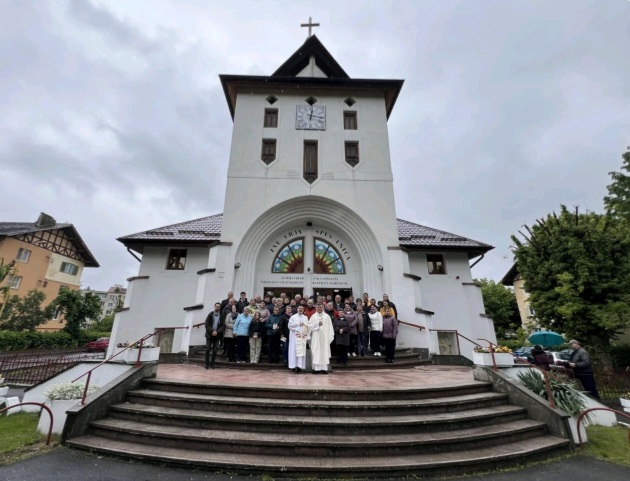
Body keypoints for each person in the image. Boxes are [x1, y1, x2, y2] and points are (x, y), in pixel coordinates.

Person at [308, 303, 334, 374]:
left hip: (325, 337)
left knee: (324, 352)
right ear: (316, 308)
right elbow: (309, 326)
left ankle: (324, 369)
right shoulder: (313, 316)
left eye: (320, 307)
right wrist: (317, 324)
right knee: (316, 352)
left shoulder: (327, 316)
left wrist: (329, 336)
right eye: (318, 307)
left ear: (323, 308)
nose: (319, 308)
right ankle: (316, 369)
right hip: (316, 337)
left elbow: (330, 327)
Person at [288, 305, 309, 373]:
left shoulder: (305, 317)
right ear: (297, 309)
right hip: (294, 337)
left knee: (301, 352)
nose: (300, 309)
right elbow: (289, 325)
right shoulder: (293, 317)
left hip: (302, 337)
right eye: (299, 308)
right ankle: (294, 366)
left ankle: (300, 367)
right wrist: (298, 324)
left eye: (302, 308)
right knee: (294, 351)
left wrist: (306, 336)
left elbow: (307, 327)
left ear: (303, 310)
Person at [204, 302, 225, 369]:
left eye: (219, 307)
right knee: (208, 349)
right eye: (216, 306)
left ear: (220, 308)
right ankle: (207, 364)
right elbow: (206, 324)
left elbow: (223, 325)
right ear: (214, 306)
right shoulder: (210, 314)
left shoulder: (222, 315)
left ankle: (212, 364)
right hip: (209, 335)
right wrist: (212, 331)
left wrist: (217, 332)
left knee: (215, 350)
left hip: (217, 335)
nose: (217, 308)